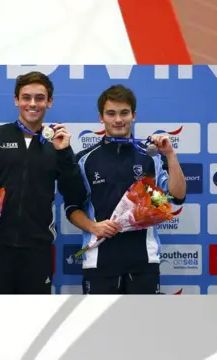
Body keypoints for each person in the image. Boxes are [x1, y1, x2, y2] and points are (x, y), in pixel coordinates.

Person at [0, 71, 82, 294]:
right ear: (16, 100)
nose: (32, 104)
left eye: (39, 98)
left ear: (50, 102)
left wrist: (64, 153)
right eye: (26, 97)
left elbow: (75, 194)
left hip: (38, 250)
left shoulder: (57, 144)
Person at [65, 84, 187, 295]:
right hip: (99, 262)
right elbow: (72, 208)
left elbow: (177, 196)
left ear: (134, 115)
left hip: (143, 263)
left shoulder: (152, 157)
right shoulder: (84, 159)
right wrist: (94, 227)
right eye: (111, 113)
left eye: (124, 113)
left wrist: (170, 155)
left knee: (142, 328)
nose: (118, 119)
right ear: (101, 118)